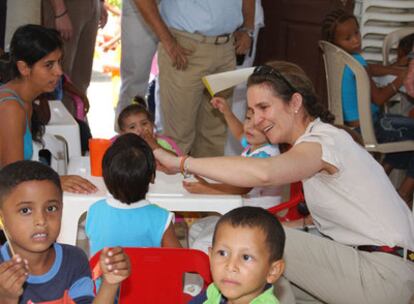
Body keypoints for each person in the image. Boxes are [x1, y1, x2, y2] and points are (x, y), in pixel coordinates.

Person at [151, 61, 414, 304]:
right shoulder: (315, 144)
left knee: (262, 245)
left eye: (264, 108)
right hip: (373, 266)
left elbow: (264, 172)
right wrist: (295, 224)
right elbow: (335, 221)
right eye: (252, 112)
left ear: (295, 102)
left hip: (383, 274)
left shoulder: (323, 142)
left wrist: (182, 163)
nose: (257, 120)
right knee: (264, 276)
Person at [136, 0, 255, 157]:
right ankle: (176, 182)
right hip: (184, 47)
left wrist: (248, 28)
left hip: (226, 48)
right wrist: (167, 41)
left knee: (215, 135)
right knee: (178, 139)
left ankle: (205, 181)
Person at [0, 160, 130, 303]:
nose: (41, 220)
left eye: (51, 208)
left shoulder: (74, 260)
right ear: (1, 217)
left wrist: (110, 284)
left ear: (62, 209)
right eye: (26, 210)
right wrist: (6, 298)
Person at [321, 9, 414, 206]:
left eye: (356, 33)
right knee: (409, 130)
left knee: (407, 130)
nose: (356, 40)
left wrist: (396, 67)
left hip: (350, 125)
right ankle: (404, 192)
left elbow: (370, 68)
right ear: (336, 41)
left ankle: (380, 178)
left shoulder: (344, 57)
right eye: (348, 38)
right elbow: (379, 98)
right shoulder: (357, 62)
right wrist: (402, 78)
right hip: (368, 128)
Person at [0, 24, 97, 194]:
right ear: (24, 68)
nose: (59, 71)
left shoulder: (26, 99)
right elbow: (11, 178)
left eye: (59, 62)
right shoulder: (10, 108)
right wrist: (56, 180)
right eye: (49, 65)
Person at [85, 133, 181, 258]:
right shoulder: (161, 218)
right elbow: (179, 258)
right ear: (152, 177)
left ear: (105, 176)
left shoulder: (94, 210)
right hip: (148, 278)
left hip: (105, 277)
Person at [189, 206, 285, 304]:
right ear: (210, 257)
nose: (230, 266)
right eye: (223, 253)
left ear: (273, 271)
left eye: (246, 257)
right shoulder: (214, 292)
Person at [42, 0, 108, 115]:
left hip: (92, 5)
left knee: (81, 78)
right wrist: (60, 10)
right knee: (59, 77)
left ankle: (77, 123)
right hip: (67, 5)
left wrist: (101, 3)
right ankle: (59, 125)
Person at [117, 98, 183, 156]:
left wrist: (156, 146)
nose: (140, 129)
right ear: (123, 133)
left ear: (152, 124)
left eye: (144, 123)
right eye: (132, 127)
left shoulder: (163, 143)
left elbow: (177, 162)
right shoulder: (121, 148)